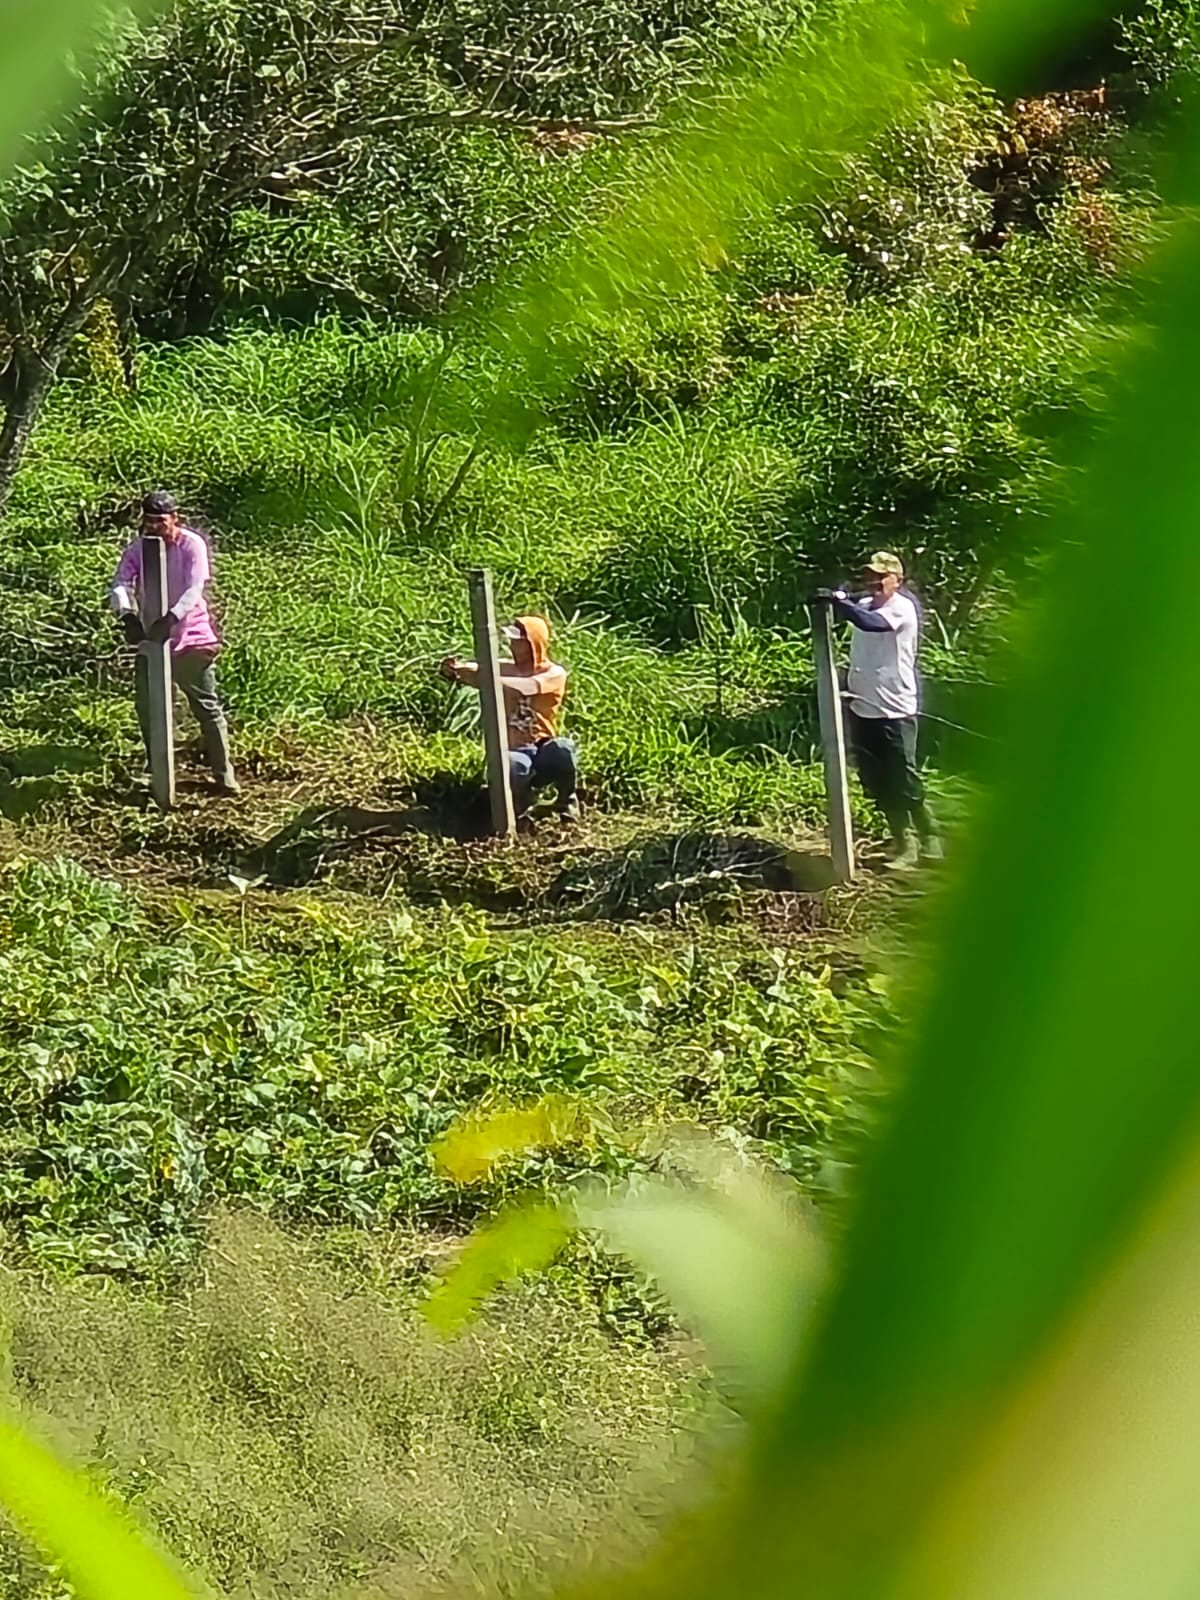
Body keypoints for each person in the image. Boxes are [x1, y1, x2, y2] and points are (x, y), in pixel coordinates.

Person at [110, 490, 239, 795]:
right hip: (151, 639)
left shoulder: (191, 545)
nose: (154, 527)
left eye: (161, 521)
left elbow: (195, 589)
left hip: (190, 638)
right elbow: (120, 583)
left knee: (206, 706)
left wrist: (172, 618)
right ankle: (157, 769)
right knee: (148, 705)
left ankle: (224, 774)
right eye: (149, 521)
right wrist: (127, 615)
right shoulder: (138, 549)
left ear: (175, 519)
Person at [819, 551, 940, 869]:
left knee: (902, 776)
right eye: (870, 576)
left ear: (896, 581)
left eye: (880, 577)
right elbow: (855, 614)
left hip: (894, 708)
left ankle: (929, 837)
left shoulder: (902, 609)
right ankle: (903, 840)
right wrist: (835, 599)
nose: (873, 582)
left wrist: (838, 601)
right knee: (876, 778)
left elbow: (871, 624)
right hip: (863, 705)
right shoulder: (862, 605)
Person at [441, 614, 579, 821]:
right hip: (514, 749)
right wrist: (455, 670)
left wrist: (485, 678)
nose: (512, 646)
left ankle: (567, 801)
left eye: (519, 642)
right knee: (512, 765)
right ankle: (519, 808)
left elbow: (527, 687)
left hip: (541, 747)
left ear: (534, 644)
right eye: (512, 641)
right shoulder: (505, 669)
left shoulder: (554, 673)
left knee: (563, 749)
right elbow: (476, 670)